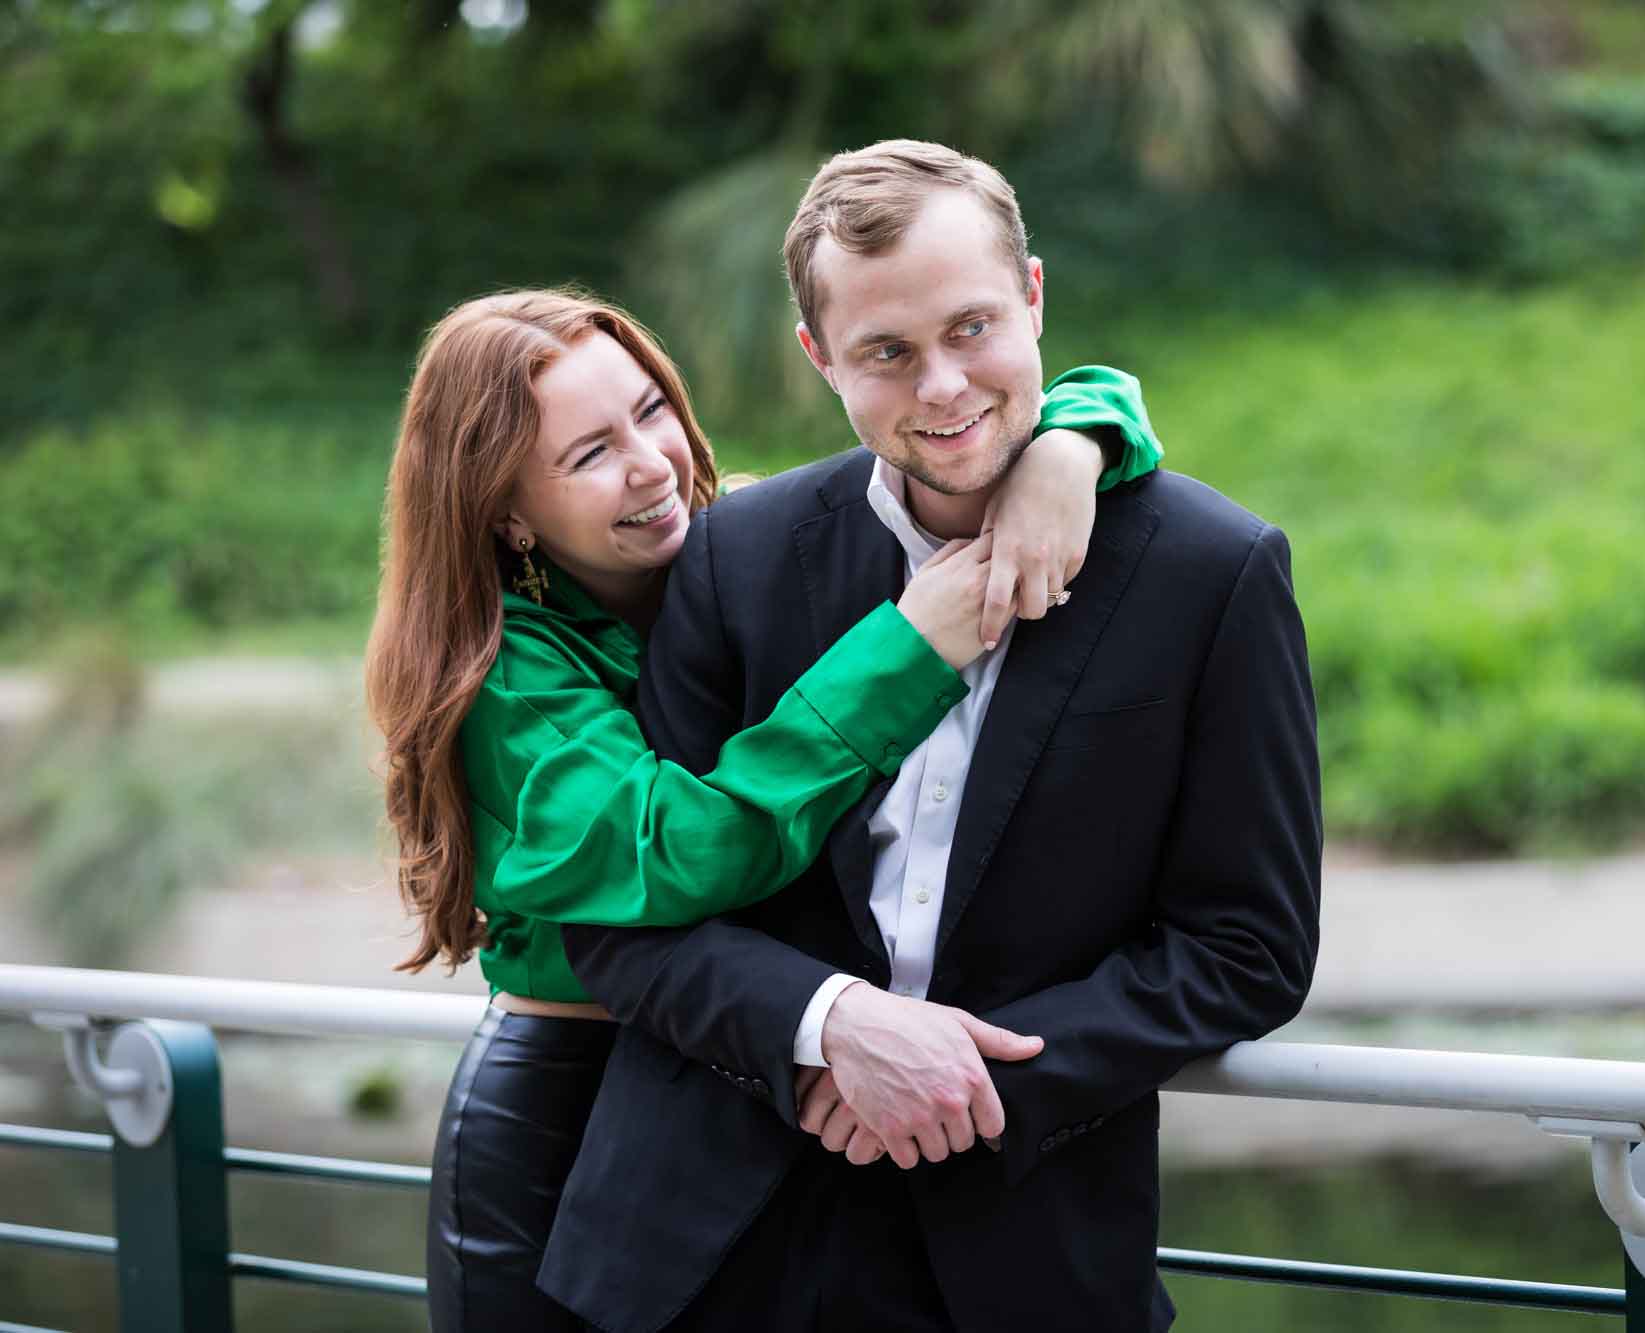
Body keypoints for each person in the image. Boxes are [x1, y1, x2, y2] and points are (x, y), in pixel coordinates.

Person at [544, 141, 1322, 1332]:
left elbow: (1246, 947)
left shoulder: (1214, 573)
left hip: (1025, 1254)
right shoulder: (733, 555)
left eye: (971, 329)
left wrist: (957, 1081)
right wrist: (826, 1030)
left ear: (1034, 298)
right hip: (692, 1257)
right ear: (820, 362)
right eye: (887, 355)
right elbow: (618, 913)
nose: (943, 387)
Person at [360, 287, 1164, 1332]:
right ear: (507, 511)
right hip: (570, 1120)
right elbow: (685, 852)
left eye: (651, 411)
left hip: (749, 1099)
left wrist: (1075, 443)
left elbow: (1067, 395)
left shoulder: (743, 546)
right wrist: (908, 651)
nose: (651, 463)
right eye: (589, 454)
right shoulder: (502, 678)